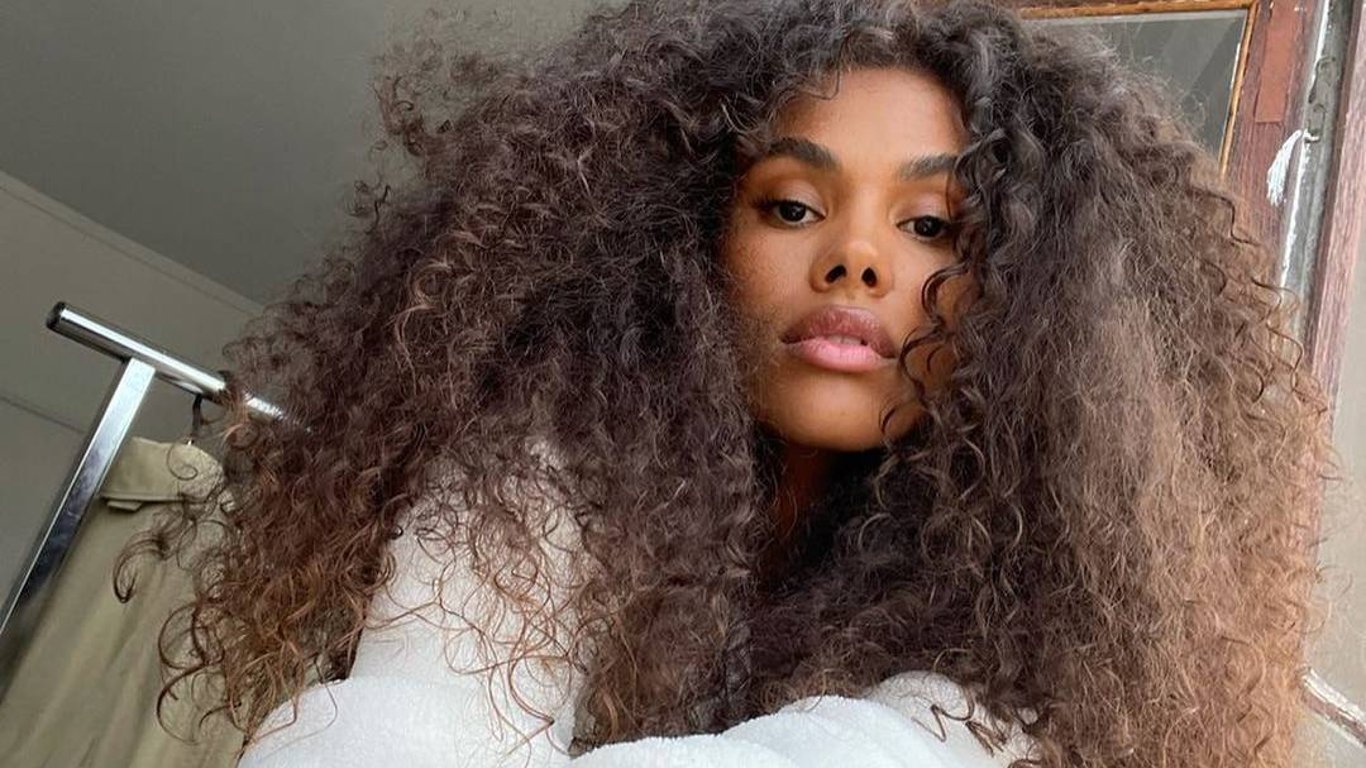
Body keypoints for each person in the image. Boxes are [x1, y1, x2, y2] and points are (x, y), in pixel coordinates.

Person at [132, 0, 1336, 766]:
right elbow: (407, 720)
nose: (856, 259)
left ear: (1033, 302)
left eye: (932, 227)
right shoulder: (539, 479)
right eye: (793, 205)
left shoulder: (1049, 612)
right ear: (681, 240)